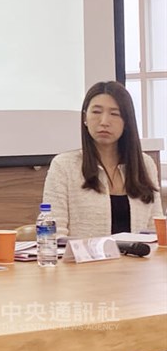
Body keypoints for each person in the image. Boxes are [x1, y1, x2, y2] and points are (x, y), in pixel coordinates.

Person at [43, 81, 163, 238]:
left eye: (114, 114)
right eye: (96, 112)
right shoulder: (64, 166)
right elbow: (54, 234)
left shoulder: (145, 164)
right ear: (85, 118)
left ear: (126, 122)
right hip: (83, 261)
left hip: (138, 261)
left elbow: (156, 229)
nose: (104, 121)